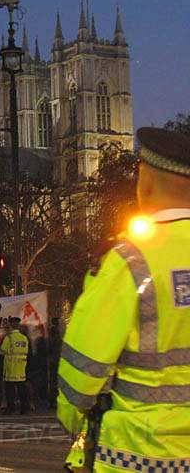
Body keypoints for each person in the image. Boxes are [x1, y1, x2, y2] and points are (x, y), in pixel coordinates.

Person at [58, 127, 190, 471]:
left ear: (144, 180)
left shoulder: (131, 260)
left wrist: (74, 420)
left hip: (141, 454)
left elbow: (81, 374)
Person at [0, 317, 29, 415]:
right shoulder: (24, 338)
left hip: (11, 367)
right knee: (22, 388)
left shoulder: (9, 338)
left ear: (11, 326)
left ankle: (11, 409)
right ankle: (24, 408)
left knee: (10, 390)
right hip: (21, 367)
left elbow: (2, 351)